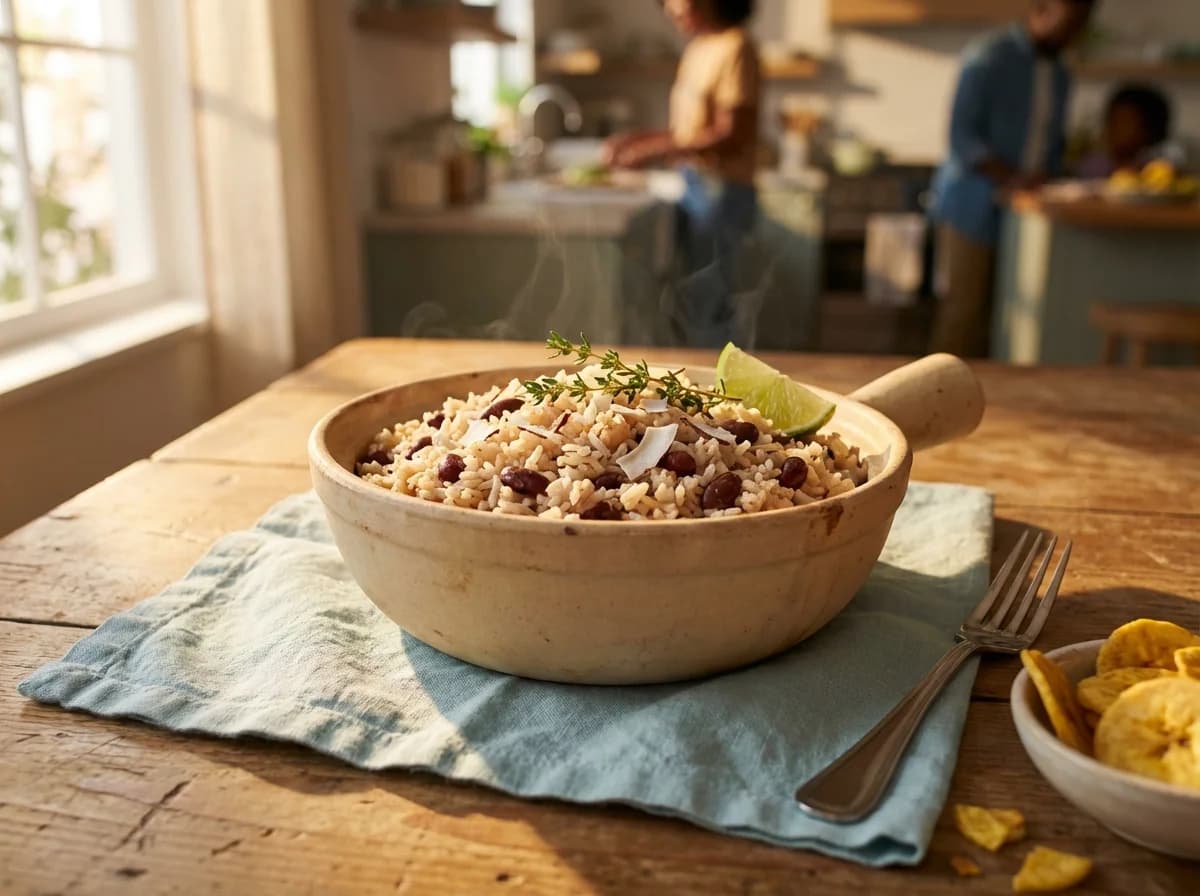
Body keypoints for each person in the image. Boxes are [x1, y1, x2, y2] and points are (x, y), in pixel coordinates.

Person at [929, 0, 1096, 358]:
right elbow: (962, 136)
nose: (1074, 32)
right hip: (971, 205)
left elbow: (1052, 142)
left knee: (1012, 317)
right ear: (1042, 10)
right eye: (1069, 21)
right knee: (964, 312)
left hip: (1025, 213)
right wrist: (1013, 177)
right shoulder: (988, 57)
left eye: (1082, 23)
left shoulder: (1061, 73)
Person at [604, 0, 761, 348]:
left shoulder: (736, 47)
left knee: (709, 301)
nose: (672, 9)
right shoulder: (698, 49)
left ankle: (724, 394)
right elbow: (688, 132)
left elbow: (732, 135)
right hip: (693, 185)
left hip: (722, 190)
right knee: (689, 298)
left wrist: (654, 151)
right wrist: (639, 139)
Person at [1078, 84, 1174, 179]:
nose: (1115, 129)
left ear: (1148, 129)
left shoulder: (1156, 168)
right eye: (1112, 121)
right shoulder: (1092, 166)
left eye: (1124, 123)